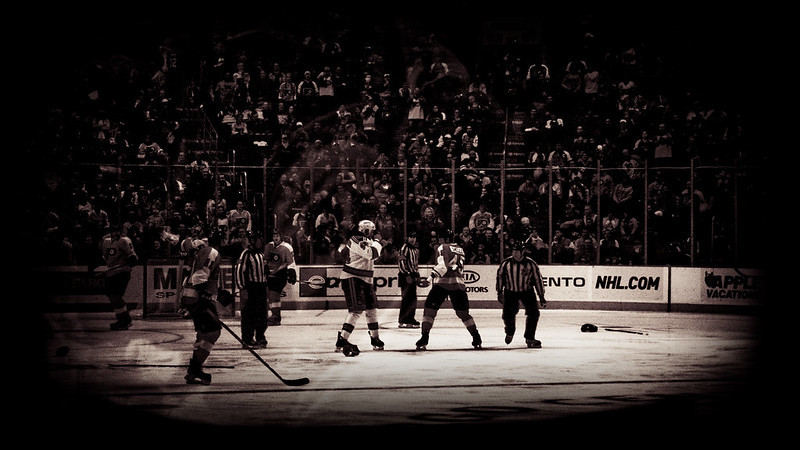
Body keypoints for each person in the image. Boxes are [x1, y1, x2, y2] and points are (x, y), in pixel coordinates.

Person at [415, 229, 482, 350]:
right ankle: (476, 336)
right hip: (458, 284)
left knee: (429, 311)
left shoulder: (443, 247)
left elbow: (443, 267)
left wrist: (429, 278)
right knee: (463, 314)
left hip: (442, 283)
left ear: (443, 239)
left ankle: (424, 337)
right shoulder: (460, 249)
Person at [335, 220, 384, 356]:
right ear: (367, 230)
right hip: (352, 277)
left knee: (372, 309)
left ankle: (375, 338)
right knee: (356, 310)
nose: (373, 233)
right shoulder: (356, 239)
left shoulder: (365, 240)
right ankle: (342, 340)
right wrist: (378, 242)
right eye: (372, 230)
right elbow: (372, 254)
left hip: (365, 278)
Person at [181, 230, 223, 384]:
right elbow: (200, 276)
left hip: (191, 298)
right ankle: (195, 368)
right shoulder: (212, 251)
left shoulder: (199, 251)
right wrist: (204, 293)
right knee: (213, 333)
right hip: (199, 299)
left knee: (202, 334)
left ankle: (193, 371)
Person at [496, 241, 547, 348]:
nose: (514, 253)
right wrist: (499, 292)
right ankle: (510, 331)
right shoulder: (506, 263)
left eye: (517, 251)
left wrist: (541, 296)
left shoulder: (530, 264)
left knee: (534, 313)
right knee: (507, 315)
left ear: (522, 251)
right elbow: (500, 277)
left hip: (527, 291)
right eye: (513, 251)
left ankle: (530, 338)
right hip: (510, 291)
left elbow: (538, 279)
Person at [96, 224, 139, 330]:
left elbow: (133, 257)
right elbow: (105, 257)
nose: (117, 233)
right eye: (114, 230)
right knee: (112, 296)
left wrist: (131, 261)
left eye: (118, 230)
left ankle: (124, 320)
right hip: (111, 273)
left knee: (115, 295)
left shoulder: (124, 240)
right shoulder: (105, 241)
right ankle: (123, 320)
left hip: (122, 273)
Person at [234, 231, 268, 349]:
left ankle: (260, 337)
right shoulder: (246, 254)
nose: (261, 241)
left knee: (262, 314)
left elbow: (265, 272)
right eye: (259, 239)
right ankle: (247, 339)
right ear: (253, 241)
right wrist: (242, 288)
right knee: (249, 315)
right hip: (251, 288)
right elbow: (239, 272)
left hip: (261, 288)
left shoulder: (261, 255)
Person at [264, 230, 297, 326]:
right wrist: (265, 268)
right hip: (269, 276)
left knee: (273, 295)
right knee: (270, 296)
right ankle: (276, 316)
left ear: (281, 236)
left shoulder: (287, 247)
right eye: (274, 236)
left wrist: (291, 271)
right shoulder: (269, 246)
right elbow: (265, 259)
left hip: (280, 275)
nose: (275, 238)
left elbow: (291, 262)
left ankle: (276, 316)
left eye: (277, 236)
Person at [397, 230, 421, 328]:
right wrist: (407, 274)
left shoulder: (415, 250)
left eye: (414, 237)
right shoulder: (404, 248)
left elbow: (415, 263)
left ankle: (410, 318)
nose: (412, 239)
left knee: (413, 299)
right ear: (407, 238)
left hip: (412, 275)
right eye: (411, 237)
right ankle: (403, 320)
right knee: (406, 299)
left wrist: (417, 274)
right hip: (405, 276)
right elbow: (401, 262)